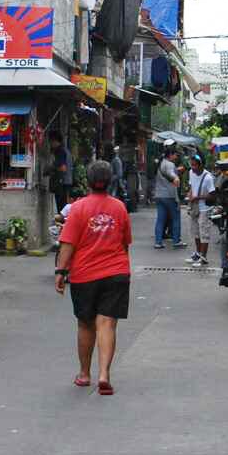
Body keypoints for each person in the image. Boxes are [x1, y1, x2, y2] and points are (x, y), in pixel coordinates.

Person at [54, 160, 131, 395]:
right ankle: (104, 374)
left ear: (87, 181)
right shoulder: (119, 207)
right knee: (107, 324)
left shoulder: (78, 208)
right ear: (109, 181)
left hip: (84, 275)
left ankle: (85, 374)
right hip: (116, 272)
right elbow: (125, 243)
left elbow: (68, 244)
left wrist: (60, 271)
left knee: (86, 324)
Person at [186, 153, 216, 266]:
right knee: (195, 232)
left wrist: (198, 197)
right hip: (194, 206)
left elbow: (213, 195)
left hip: (205, 208)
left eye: (194, 165)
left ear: (201, 165)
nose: (192, 167)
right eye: (191, 165)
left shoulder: (208, 177)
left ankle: (203, 257)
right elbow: (191, 186)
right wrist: (189, 195)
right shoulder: (190, 173)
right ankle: (198, 254)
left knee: (204, 233)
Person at [152, 147, 183, 249]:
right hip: (169, 195)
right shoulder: (170, 164)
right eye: (175, 154)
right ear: (171, 155)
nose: (176, 156)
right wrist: (176, 178)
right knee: (176, 218)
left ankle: (158, 242)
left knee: (160, 219)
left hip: (159, 195)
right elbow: (171, 173)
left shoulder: (161, 163)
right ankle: (176, 241)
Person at [47, 130, 72, 212]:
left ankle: (63, 224)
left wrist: (51, 169)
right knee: (64, 208)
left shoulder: (60, 151)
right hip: (66, 182)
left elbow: (63, 168)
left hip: (61, 183)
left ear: (54, 141)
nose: (50, 144)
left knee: (61, 209)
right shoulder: (66, 150)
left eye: (50, 141)